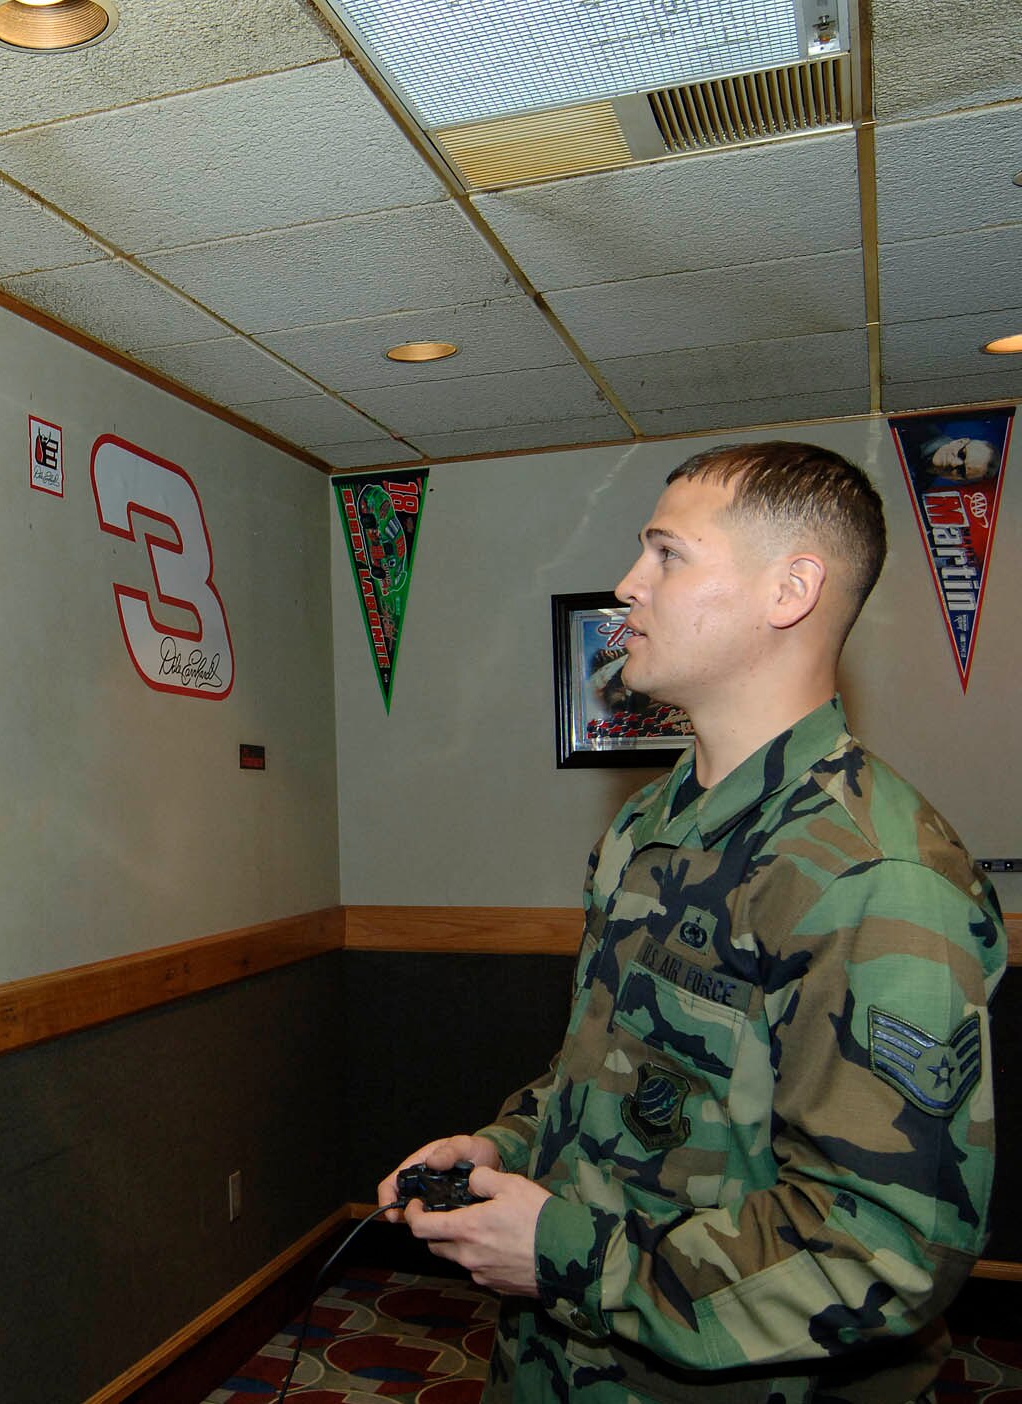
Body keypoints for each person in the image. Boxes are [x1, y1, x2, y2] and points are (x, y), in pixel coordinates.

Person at [378, 442, 1006, 1402]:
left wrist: (566, 1254)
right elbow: (599, 1071)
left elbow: (883, 1250)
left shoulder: (880, 875)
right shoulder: (646, 822)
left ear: (789, 589)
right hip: (560, 1364)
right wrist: (504, 1148)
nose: (628, 585)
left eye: (668, 555)